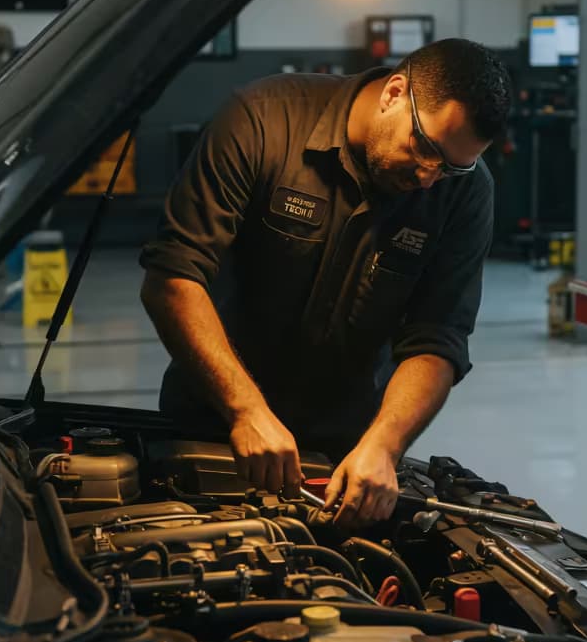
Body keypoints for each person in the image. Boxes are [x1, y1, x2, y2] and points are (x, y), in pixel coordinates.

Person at [140, 38, 511, 524]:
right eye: (425, 148)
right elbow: (173, 275)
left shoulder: (465, 191)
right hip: (210, 428)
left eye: (450, 166)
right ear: (394, 92)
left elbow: (438, 337)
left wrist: (384, 445)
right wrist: (245, 410)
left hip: (342, 457)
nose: (428, 177)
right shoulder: (263, 120)